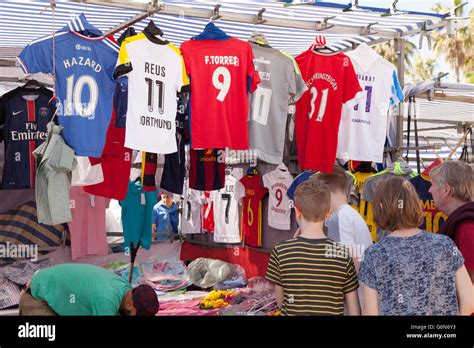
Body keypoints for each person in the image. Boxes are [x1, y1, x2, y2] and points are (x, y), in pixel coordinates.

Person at [359, 176, 473, 315]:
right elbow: (469, 302)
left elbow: (370, 312)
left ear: (381, 207)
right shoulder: (445, 245)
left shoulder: (373, 254)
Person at [266, 179, 361, 316]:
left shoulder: (281, 251)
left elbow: (281, 302)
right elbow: (354, 310)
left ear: (297, 211)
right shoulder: (342, 254)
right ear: (328, 213)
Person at [19, 263, 159, 316]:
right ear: (130, 304)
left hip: (51, 293)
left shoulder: (125, 289)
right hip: (37, 298)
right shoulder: (107, 299)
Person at [314, 166, 372, 272]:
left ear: (325, 190)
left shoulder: (339, 217)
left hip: (351, 287)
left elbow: (346, 262)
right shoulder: (348, 214)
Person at [429, 161, 474, 284]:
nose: (429, 190)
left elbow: (471, 277)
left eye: (432, 185)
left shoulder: (466, 226)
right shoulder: (462, 220)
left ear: (446, 190)